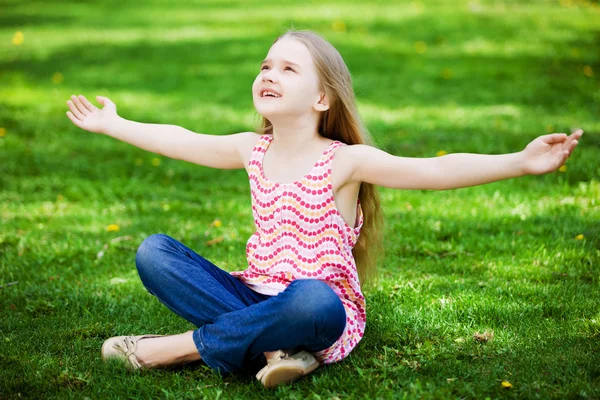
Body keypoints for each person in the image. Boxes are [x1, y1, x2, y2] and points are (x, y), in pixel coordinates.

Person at [65, 29, 583, 388]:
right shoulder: (253, 148)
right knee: (155, 252)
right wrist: (115, 124)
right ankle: (276, 350)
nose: (269, 73)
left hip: (317, 306)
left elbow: (432, 172)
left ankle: (172, 349)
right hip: (255, 289)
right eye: (266, 65)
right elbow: (180, 138)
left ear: (321, 99)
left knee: (313, 303)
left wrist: (519, 161)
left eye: (288, 68)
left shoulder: (345, 162)